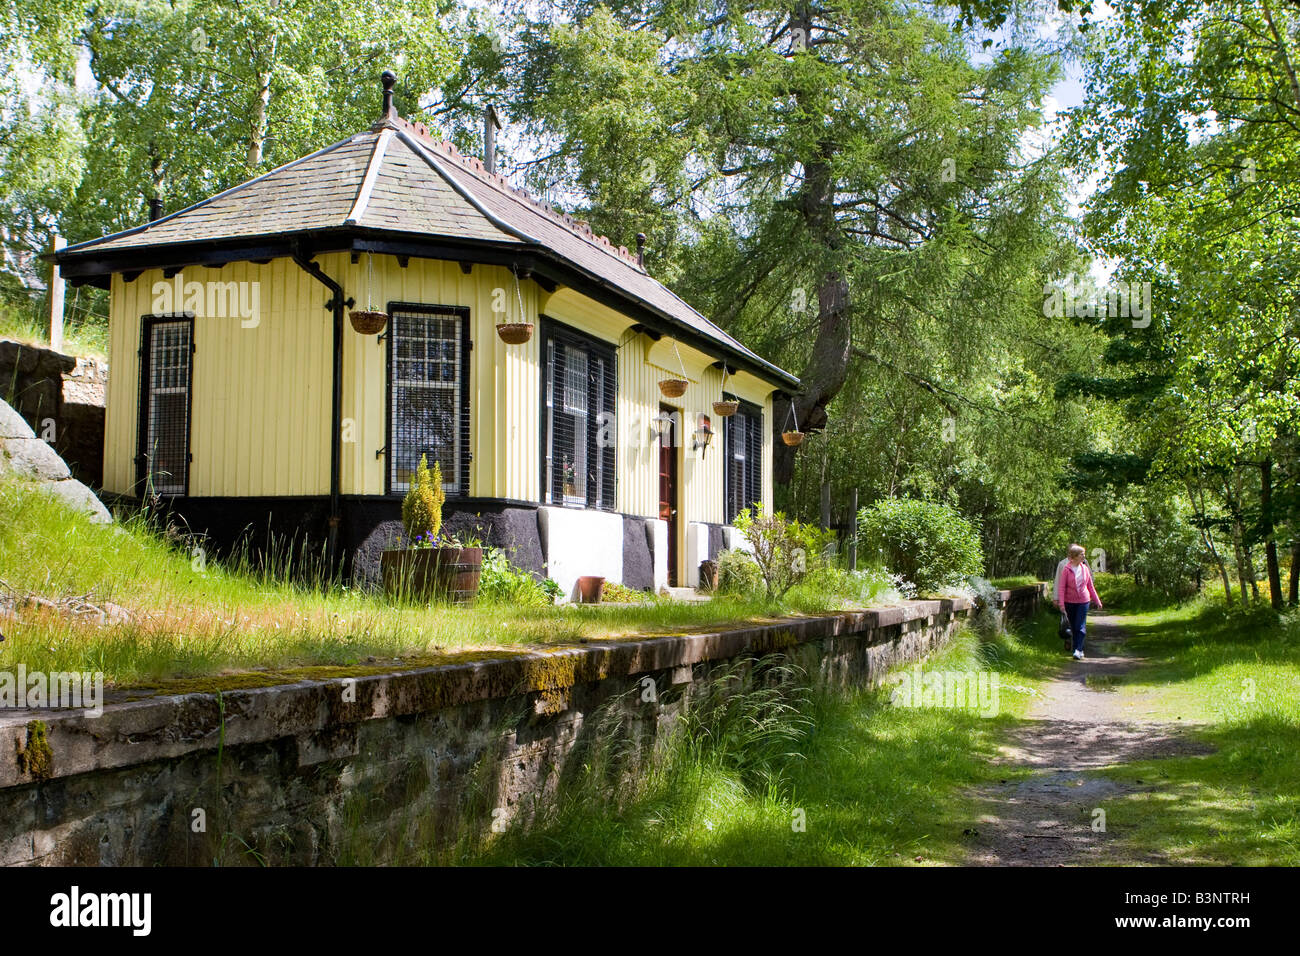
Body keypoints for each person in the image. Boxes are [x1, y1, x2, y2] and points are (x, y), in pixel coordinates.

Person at [1056, 544, 1103, 660]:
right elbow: (1061, 588)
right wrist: (1061, 604)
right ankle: (1076, 649)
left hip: (1083, 601)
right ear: (1075, 556)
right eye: (1082, 554)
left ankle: (1078, 649)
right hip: (1069, 602)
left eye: (1084, 554)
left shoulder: (1085, 569)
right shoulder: (1066, 569)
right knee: (1073, 627)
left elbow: (1090, 587)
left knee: (1080, 626)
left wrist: (1097, 601)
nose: (1084, 556)